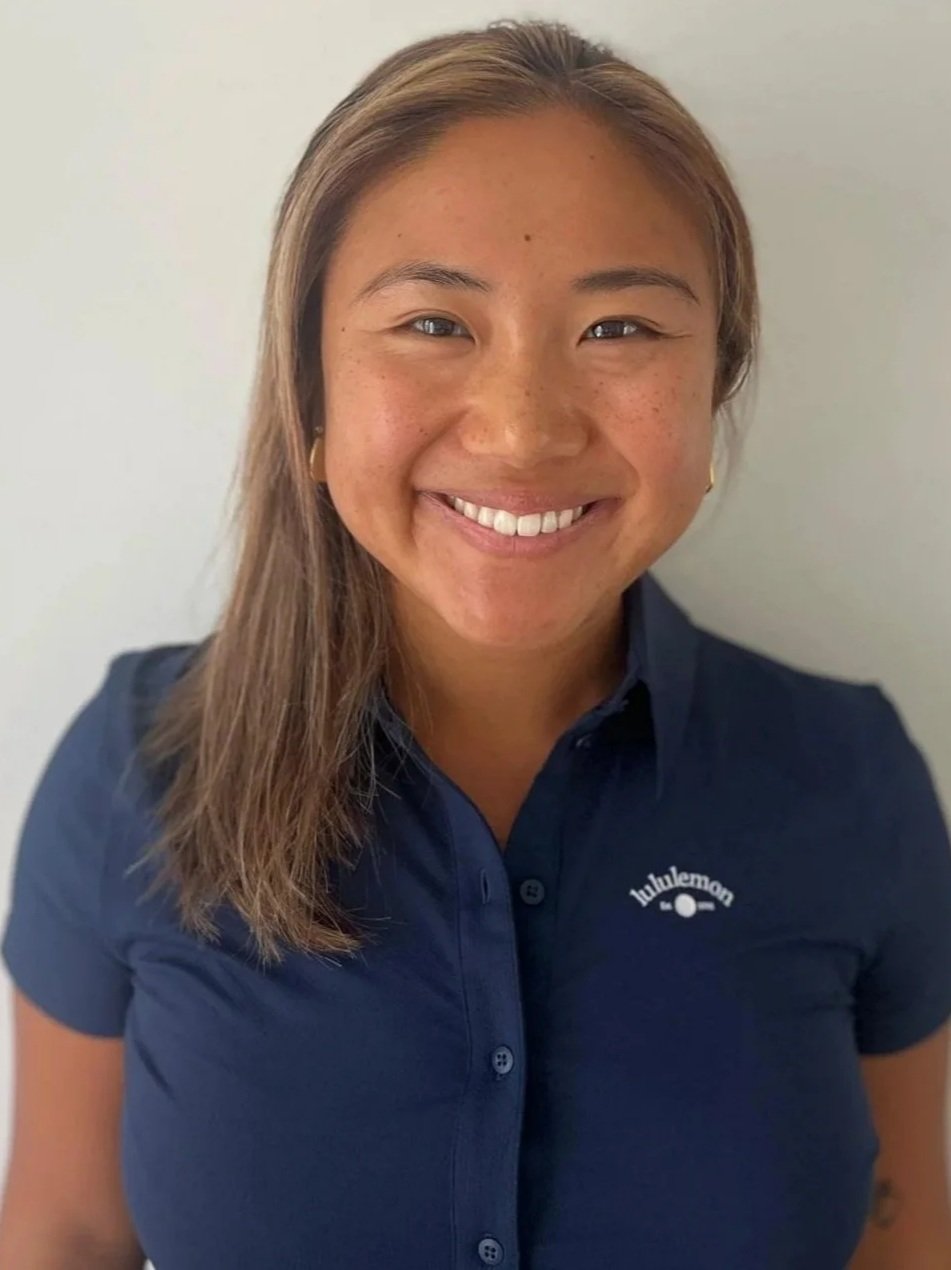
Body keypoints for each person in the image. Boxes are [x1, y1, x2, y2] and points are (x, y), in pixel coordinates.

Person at [1, 17, 950, 1270]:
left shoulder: (851, 778)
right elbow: (61, 1233)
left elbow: (910, 1232)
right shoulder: (136, 771)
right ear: (311, 392)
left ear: (716, 385)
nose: (519, 431)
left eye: (620, 330)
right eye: (435, 325)